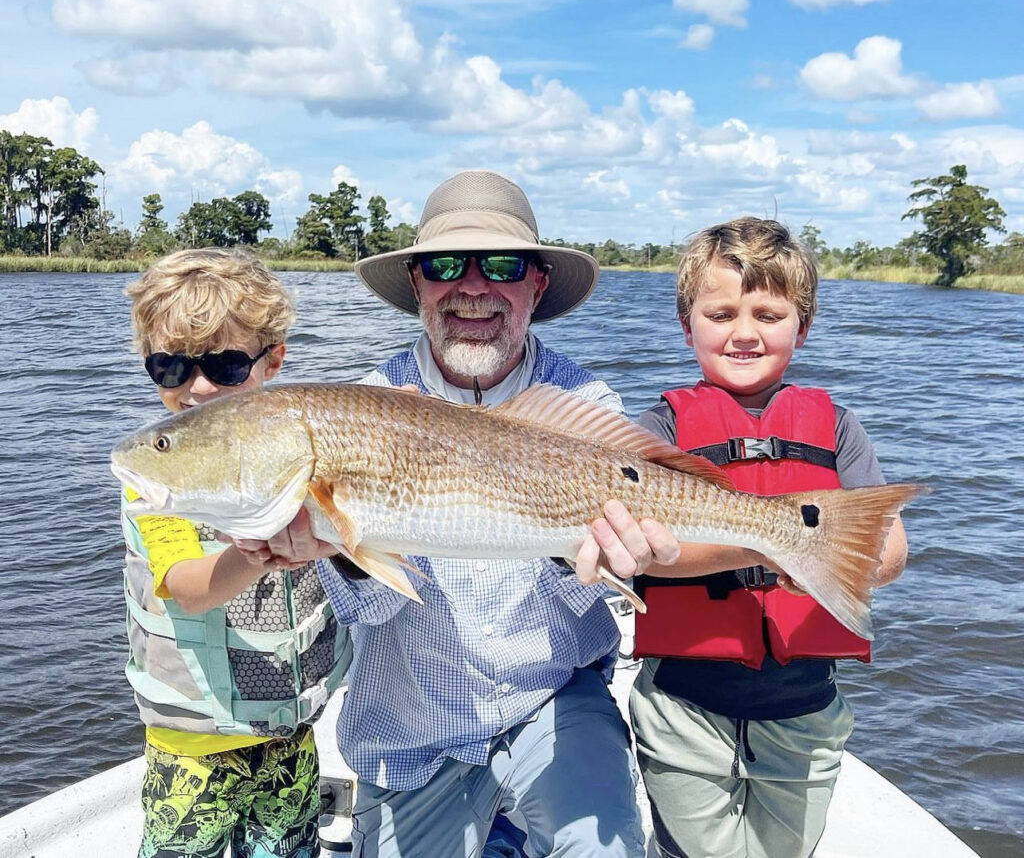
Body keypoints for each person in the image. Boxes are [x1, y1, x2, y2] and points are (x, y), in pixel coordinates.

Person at [236, 170, 680, 858]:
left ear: (536, 283)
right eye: (445, 265)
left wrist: (595, 553)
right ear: (417, 284)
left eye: (500, 265)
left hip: (555, 704)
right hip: (413, 732)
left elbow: (606, 575)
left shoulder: (585, 407)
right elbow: (374, 612)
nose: (472, 286)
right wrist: (332, 540)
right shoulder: (358, 408)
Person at [619, 217, 909, 858]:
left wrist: (857, 562)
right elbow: (647, 555)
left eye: (768, 315)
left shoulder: (837, 427)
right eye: (720, 313)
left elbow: (888, 546)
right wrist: (764, 546)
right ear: (686, 323)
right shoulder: (653, 430)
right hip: (683, 707)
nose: (743, 332)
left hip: (804, 710)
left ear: (801, 327)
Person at [121, 248, 351, 858]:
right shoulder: (159, 476)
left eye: (225, 365)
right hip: (191, 753)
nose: (197, 388)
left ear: (273, 360)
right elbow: (189, 589)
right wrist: (257, 552)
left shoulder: (306, 453)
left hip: (288, 736)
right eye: (170, 367)